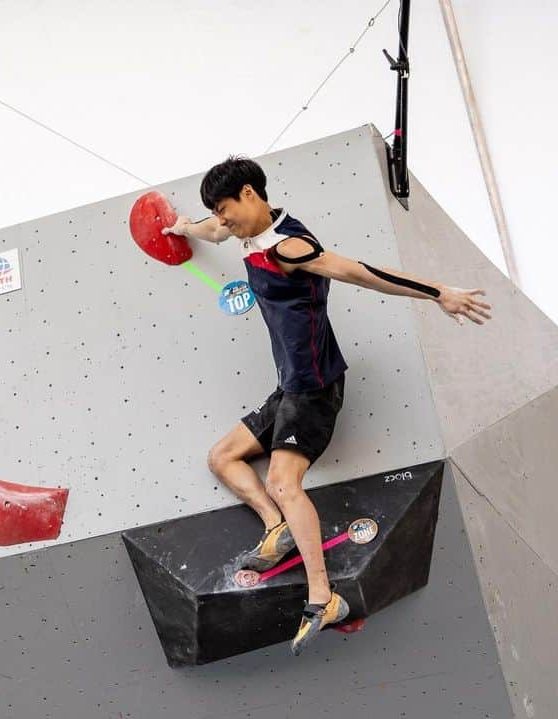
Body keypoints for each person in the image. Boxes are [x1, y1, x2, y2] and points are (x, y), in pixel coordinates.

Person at [163, 156, 492, 655]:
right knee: (222, 458)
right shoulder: (241, 230)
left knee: (281, 480)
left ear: (250, 194)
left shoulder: (292, 247)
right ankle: (277, 527)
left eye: (226, 210)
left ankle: (324, 596)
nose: (222, 222)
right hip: (288, 388)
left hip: (314, 388)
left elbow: (362, 273)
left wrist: (438, 292)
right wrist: (182, 226)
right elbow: (211, 232)